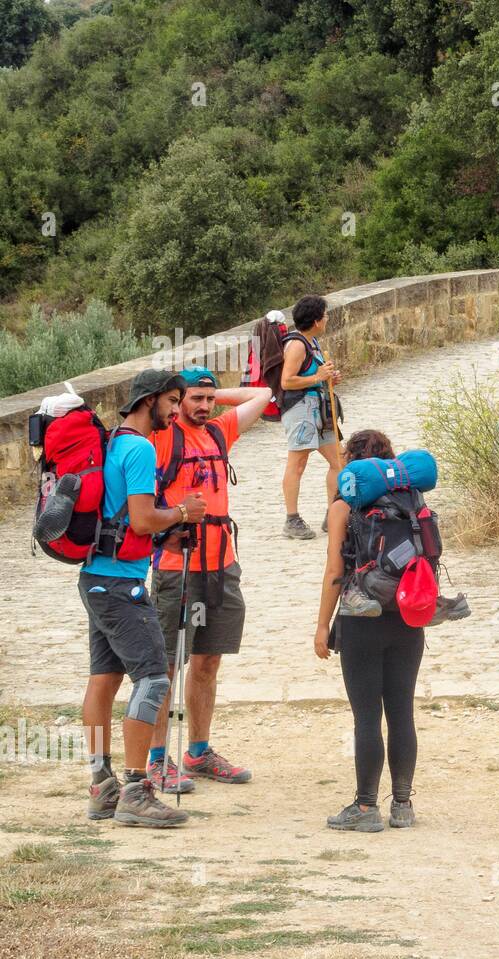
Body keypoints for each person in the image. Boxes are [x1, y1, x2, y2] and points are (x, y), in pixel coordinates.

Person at [80, 369, 208, 827]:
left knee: (104, 679)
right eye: (173, 401)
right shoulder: (138, 447)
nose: (176, 411)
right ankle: (136, 789)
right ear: (150, 399)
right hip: (123, 588)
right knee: (154, 678)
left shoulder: (113, 441)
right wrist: (182, 512)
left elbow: (124, 523)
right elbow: (138, 518)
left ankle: (102, 787)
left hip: (97, 577)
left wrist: (165, 536)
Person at [145, 368, 272, 794]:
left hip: (221, 565)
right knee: (164, 665)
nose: (202, 406)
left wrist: (217, 395)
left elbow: (265, 393)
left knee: (208, 661)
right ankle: (157, 760)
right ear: (177, 401)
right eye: (193, 399)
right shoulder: (164, 436)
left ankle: (197, 752)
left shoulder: (220, 431)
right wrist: (181, 397)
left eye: (207, 399)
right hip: (173, 565)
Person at [316, 430, 424, 832]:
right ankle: (402, 805)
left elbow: (333, 573)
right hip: (408, 617)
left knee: (366, 717)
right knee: (401, 712)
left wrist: (321, 626)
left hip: (360, 620)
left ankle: (365, 809)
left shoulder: (343, 508)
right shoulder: (413, 502)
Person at [279, 295, 342, 539]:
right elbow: (287, 381)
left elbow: (312, 374)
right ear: (316, 320)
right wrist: (318, 378)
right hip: (300, 410)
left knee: (339, 459)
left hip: (319, 409)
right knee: (297, 463)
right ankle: (292, 520)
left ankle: (334, 513)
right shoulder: (297, 345)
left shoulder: (311, 341)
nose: (327, 319)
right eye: (325, 316)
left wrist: (328, 377)